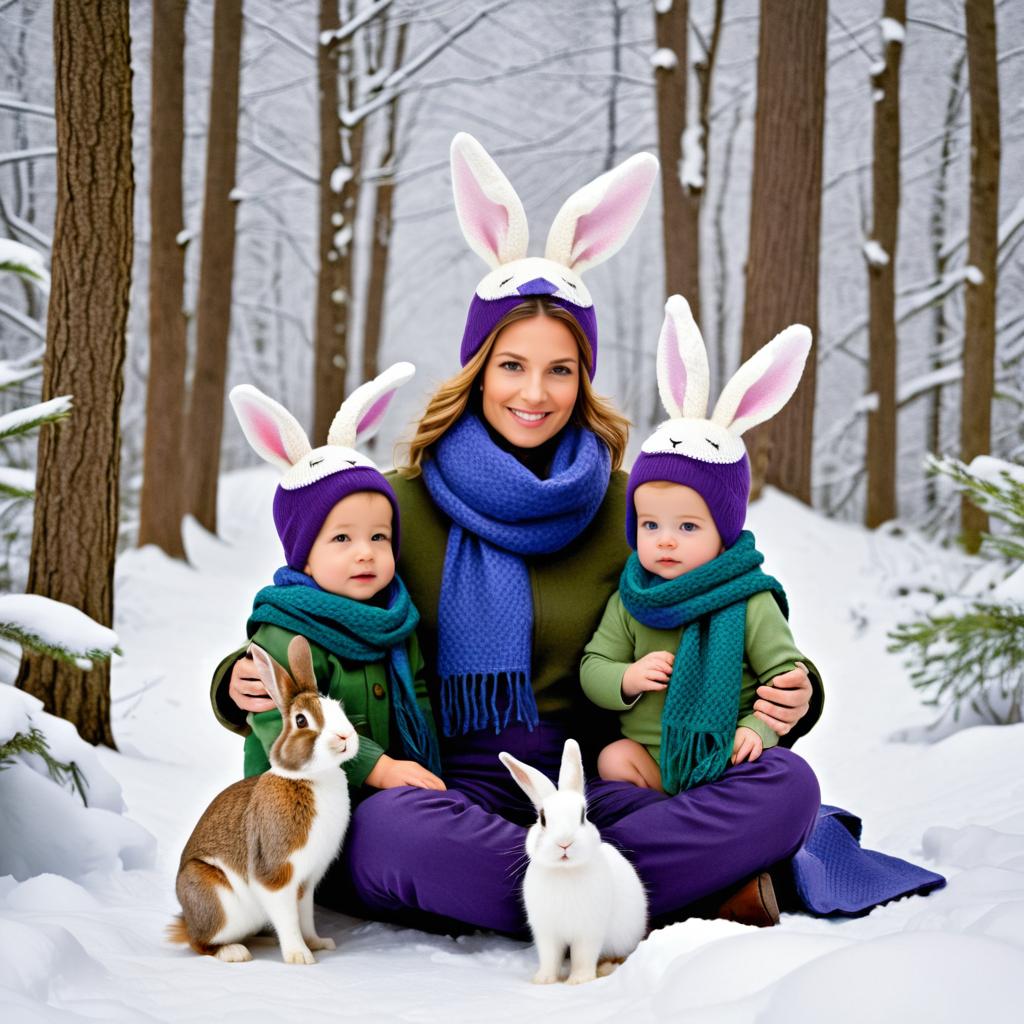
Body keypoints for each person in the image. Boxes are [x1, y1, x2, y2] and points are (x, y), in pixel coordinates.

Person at [212, 134, 821, 933]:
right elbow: (304, 606)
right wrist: (236, 681)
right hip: (441, 782)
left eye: (560, 369)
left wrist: (794, 689)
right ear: (477, 367)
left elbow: (724, 598)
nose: (535, 392)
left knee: (790, 788)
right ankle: (654, 888)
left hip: (598, 780)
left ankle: (564, 886)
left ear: (584, 378)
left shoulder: (629, 509)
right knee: (394, 833)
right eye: (512, 366)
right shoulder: (398, 507)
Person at [582, 294, 817, 797]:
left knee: (782, 782)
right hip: (648, 765)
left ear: (723, 532)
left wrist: (759, 729)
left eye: (688, 528)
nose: (665, 540)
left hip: (723, 757)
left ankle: (688, 835)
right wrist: (627, 678)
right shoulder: (632, 599)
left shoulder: (749, 600)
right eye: (649, 526)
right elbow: (593, 668)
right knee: (611, 758)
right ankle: (676, 835)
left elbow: (785, 679)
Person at [224, 366, 443, 797]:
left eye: (378, 537)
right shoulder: (288, 628)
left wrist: (425, 767)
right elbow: (282, 718)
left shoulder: (396, 619)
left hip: (383, 793)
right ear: (304, 557)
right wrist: (376, 768)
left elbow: (417, 699)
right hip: (294, 800)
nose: (365, 552)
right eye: (342, 538)